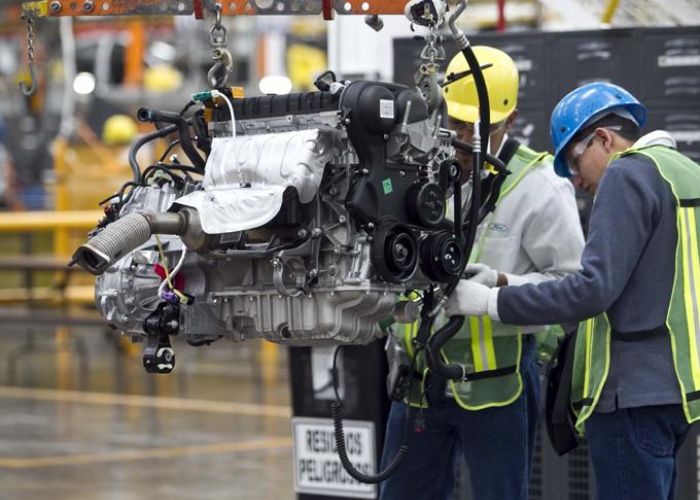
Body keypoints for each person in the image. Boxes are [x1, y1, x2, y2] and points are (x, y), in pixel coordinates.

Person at [445, 81, 699, 500]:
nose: (576, 180)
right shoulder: (686, 174)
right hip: (678, 396)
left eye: (575, 163)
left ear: (603, 138)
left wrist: (490, 301)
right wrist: (503, 278)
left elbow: (590, 290)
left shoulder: (627, 173)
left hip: (629, 396)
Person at [379, 46, 584, 500]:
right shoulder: (420, 171)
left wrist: (498, 289)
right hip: (420, 380)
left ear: (509, 122)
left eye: (481, 129)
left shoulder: (539, 188)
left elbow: (572, 286)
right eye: (456, 125)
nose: (466, 139)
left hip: (499, 387)